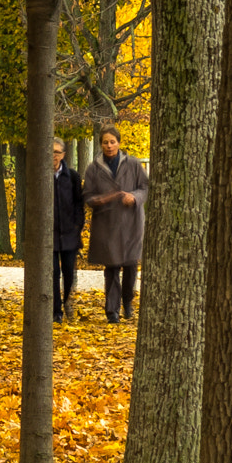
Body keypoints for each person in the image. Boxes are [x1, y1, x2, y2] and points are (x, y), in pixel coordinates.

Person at [84, 127, 148, 323]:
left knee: (130, 267)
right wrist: (100, 200)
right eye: (105, 142)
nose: (109, 146)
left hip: (131, 223)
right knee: (111, 267)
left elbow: (145, 188)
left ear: (119, 143)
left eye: (112, 142)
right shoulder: (94, 168)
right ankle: (112, 311)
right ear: (101, 144)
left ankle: (127, 303)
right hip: (107, 225)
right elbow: (87, 196)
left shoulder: (134, 164)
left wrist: (134, 197)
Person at [51, 138, 87, 323]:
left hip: (70, 234)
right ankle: (56, 311)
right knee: (53, 273)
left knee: (69, 272)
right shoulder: (41, 176)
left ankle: (67, 302)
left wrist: (77, 225)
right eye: (51, 152)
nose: (54, 156)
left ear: (63, 155)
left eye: (57, 152)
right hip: (50, 236)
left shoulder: (72, 176)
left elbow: (79, 204)